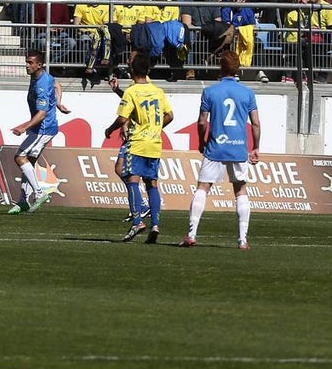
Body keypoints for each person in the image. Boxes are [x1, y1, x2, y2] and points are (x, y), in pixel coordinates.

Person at [182, 51, 261, 249]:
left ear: (220, 68)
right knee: (240, 189)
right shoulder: (247, 93)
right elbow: (256, 123)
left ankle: (192, 234)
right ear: (238, 69)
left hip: (215, 146)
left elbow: (202, 121)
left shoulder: (210, 91)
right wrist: (256, 147)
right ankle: (242, 239)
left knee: (203, 187)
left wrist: (202, 140)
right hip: (238, 148)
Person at [105, 54, 173, 243]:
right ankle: (156, 224)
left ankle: (137, 222)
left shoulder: (132, 92)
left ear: (132, 70)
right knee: (152, 183)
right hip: (155, 144)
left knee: (132, 180)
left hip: (137, 143)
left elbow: (122, 119)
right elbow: (170, 115)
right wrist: (154, 129)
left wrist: (109, 130)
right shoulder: (157, 91)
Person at [7, 49, 70, 214]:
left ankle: (39, 193)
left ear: (39, 65)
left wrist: (23, 127)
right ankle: (23, 201)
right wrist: (58, 102)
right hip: (41, 127)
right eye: (26, 62)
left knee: (19, 157)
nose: (27, 65)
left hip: (43, 128)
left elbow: (41, 114)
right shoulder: (42, 77)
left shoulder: (41, 84)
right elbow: (57, 84)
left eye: (30, 63)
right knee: (29, 162)